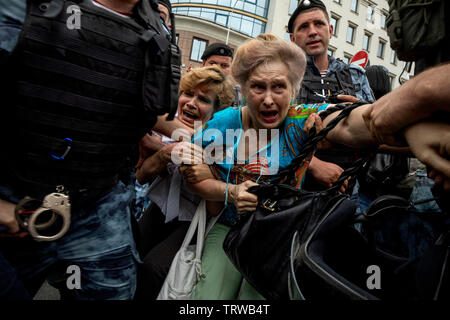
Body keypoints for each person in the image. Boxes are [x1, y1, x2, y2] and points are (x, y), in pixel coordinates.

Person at [0, 0, 180, 300]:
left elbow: (147, 105)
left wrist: (192, 135)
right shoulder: (26, 6)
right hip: (14, 200)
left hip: (98, 207)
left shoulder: (156, 30)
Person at [134, 65, 234, 300]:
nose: (190, 103)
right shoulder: (169, 129)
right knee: (129, 257)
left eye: (203, 99)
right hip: (158, 211)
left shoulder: (226, 146)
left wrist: (204, 169)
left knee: (154, 269)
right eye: (187, 93)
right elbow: (141, 177)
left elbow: (216, 206)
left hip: (194, 220)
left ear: (217, 111)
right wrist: (164, 153)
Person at [288, 0, 375, 192]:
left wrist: (361, 112)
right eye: (304, 27)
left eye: (318, 24)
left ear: (330, 30)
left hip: (348, 189)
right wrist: (313, 164)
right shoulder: (281, 77)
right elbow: (264, 135)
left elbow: (376, 134)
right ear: (293, 39)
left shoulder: (356, 76)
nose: (312, 31)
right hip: (293, 190)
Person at [363, 62, 450, 191]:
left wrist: (416, 91)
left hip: (381, 184)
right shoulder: (387, 109)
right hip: (402, 184)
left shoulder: (390, 111)